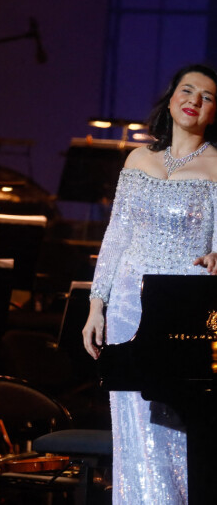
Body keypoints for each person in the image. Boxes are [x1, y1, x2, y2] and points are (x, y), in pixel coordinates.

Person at [82, 63, 217, 504]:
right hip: (125, 306)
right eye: (187, 89)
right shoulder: (137, 159)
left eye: (207, 96)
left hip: (182, 308)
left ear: (214, 112)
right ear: (172, 97)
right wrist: (96, 305)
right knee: (135, 427)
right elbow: (117, 233)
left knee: (176, 426)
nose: (194, 100)